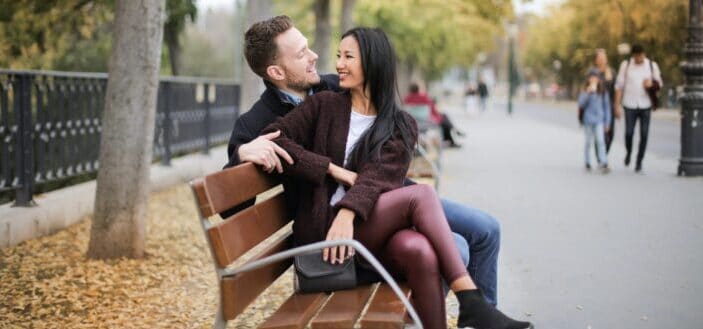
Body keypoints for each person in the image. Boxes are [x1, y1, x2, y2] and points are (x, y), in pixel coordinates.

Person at [258, 25, 531, 329]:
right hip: (326, 239)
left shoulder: (401, 125)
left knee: (420, 251)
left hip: (368, 231)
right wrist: (329, 168)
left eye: (348, 56)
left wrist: (348, 211)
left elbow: (378, 180)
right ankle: (470, 299)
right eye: (338, 56)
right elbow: (273, 137)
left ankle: (468, 309)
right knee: (422, 194)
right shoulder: (324, 105)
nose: (338, 65)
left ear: (373, 63)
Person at [614, 44, 663, 172]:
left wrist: (650, 84)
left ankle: (639, 161)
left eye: (641, 55)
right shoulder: (626, 65)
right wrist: (616, 106)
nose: (639, 58)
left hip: (645, 105)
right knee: (629, 133)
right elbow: (619, 86)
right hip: (629, 104)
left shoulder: (652, 65)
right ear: (633, 55)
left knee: (644, 134)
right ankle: (629, 152)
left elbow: (659, 83)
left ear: (644, 54)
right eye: (636, 56)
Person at [403, 83, 464, 148]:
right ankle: (453, 132)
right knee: (444, 118)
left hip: (413, 121)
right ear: (418, 89)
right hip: (427, 120)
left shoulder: (407, 98)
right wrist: (437, 114)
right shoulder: (423, 97)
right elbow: (432, 108)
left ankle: (452, 136)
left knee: (444, 119)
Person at [578, 69, 611, 172]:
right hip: (588, 120)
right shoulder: (585, 91)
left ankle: (603, 162)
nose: (593, 79)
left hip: (599, 120)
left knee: (600, 141)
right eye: (591, 77)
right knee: (588, 142)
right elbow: (581, 104)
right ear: (588, 79)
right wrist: (588, 93)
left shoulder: (603, 92)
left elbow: (607, 108)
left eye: (595, 77)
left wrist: (607, 122)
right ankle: (587, 162)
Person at [590, 49, 616, 153]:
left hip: (609, 106)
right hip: (596, 107)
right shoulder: (592, 72)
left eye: (604, 58)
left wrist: (617, 105)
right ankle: (601, 157)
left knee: (610, 132)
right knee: (599, 133)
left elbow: (617, 89)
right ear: (596, 60)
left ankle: (604, 153)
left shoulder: (612, 72)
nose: (602, 60)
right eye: (600, 58)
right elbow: (588, 88)